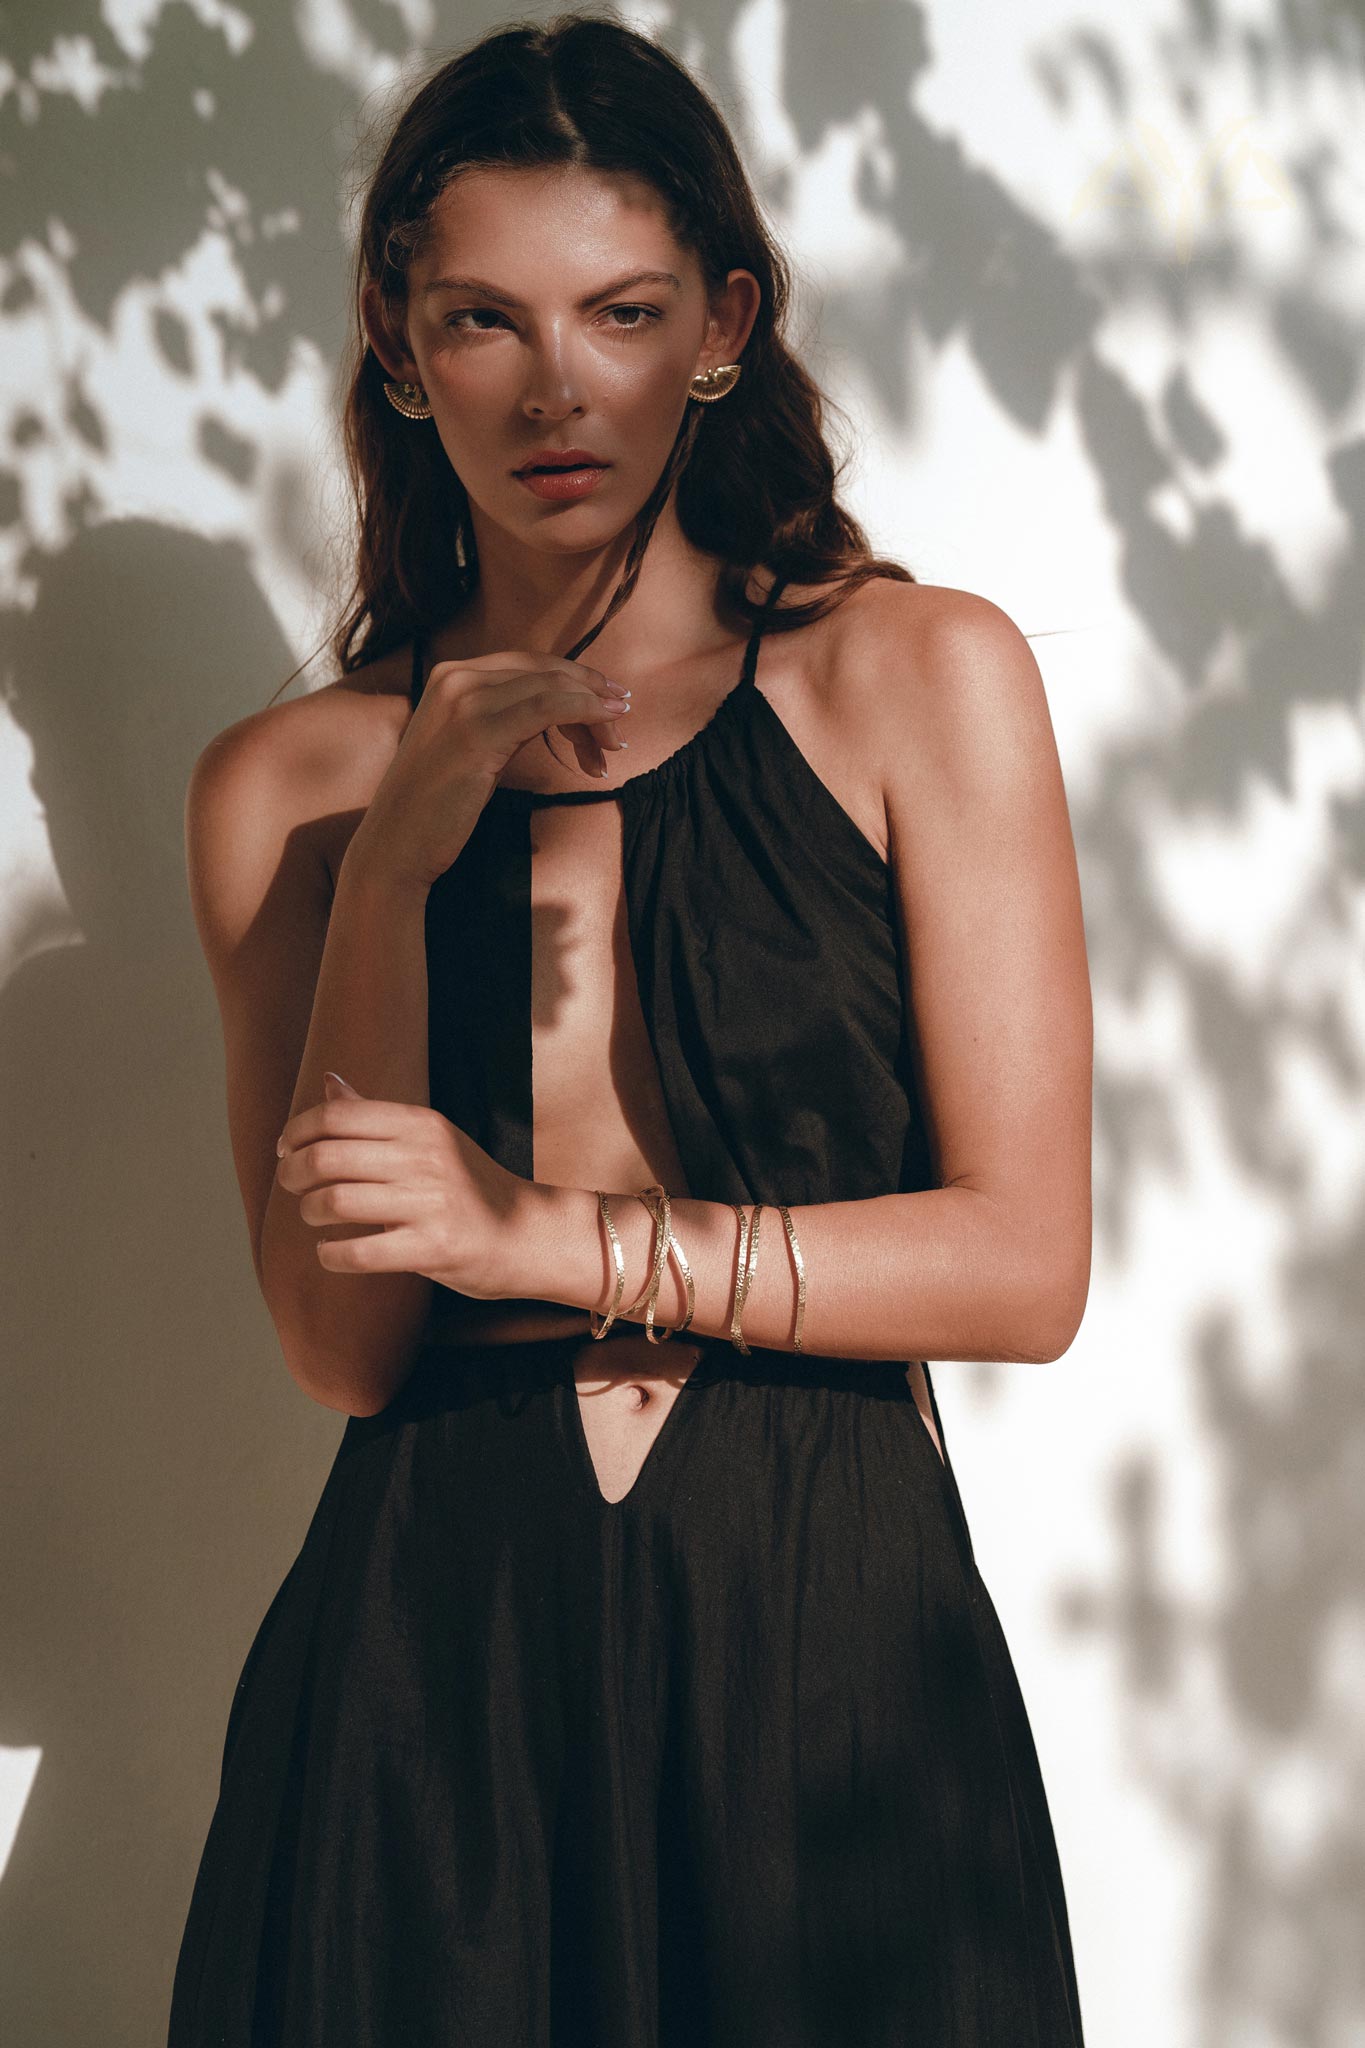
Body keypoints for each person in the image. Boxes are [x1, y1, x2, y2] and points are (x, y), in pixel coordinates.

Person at [167, 13, 1093, 2045]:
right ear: (401, 355)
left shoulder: (914, 679)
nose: (556, 383)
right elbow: (340, 1348)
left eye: (623, 310)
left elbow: (1022, 1269)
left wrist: (543, 1238)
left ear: (720, 327)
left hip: (827, 1621)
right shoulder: (285, 788)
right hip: (431, 1652)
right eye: (482, 320)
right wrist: (395, 865)